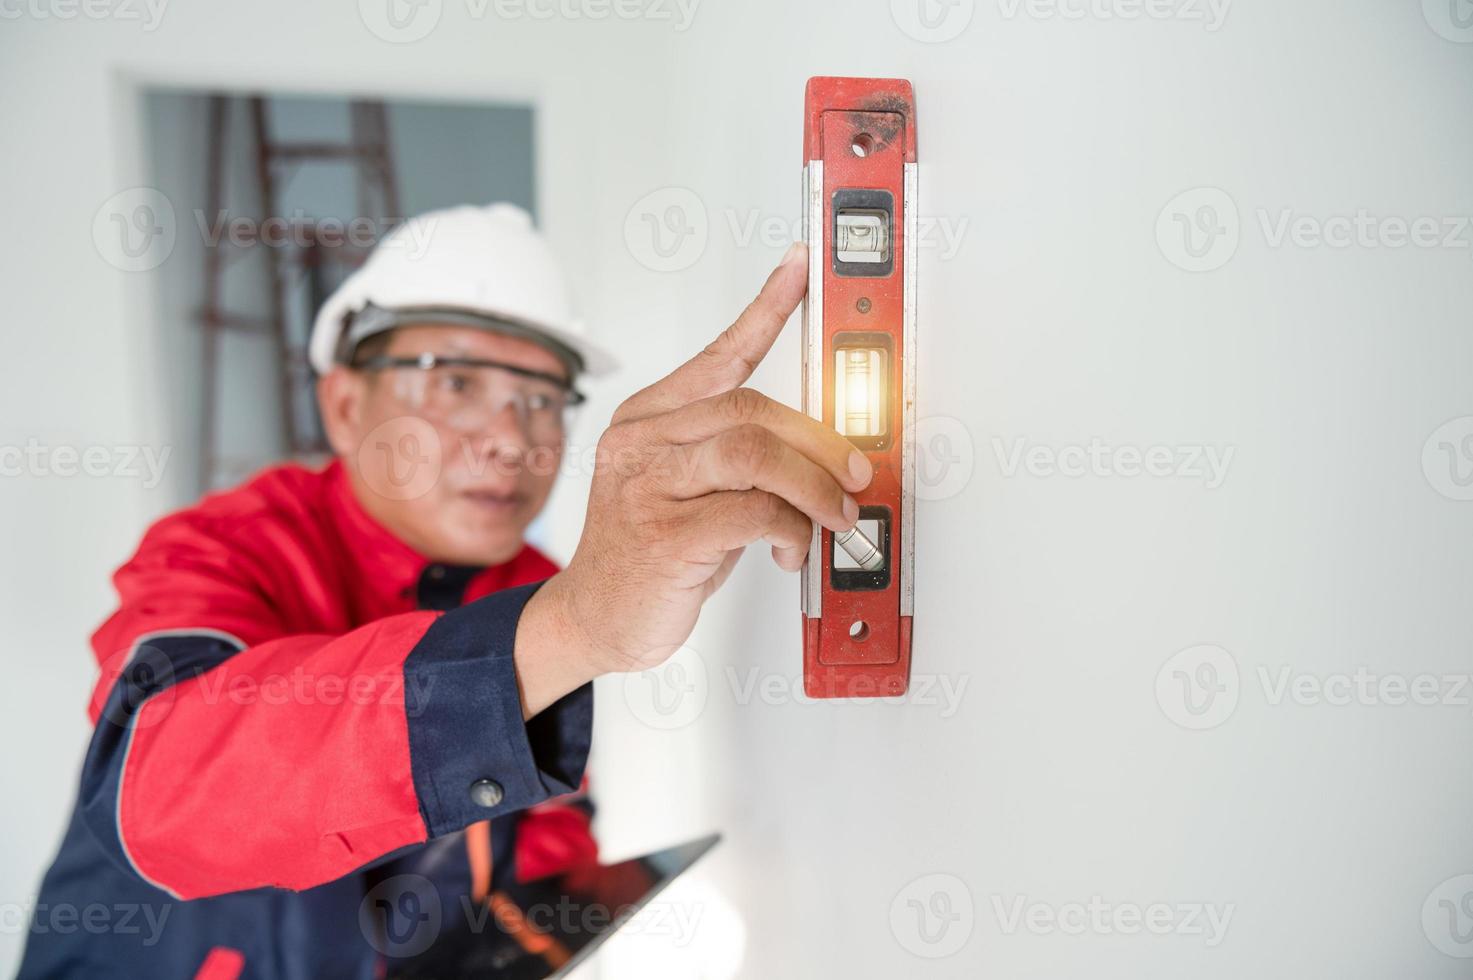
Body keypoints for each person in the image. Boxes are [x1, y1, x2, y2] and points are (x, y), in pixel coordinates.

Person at [19, 202, 871, 979]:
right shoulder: (223, 548)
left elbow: (542, 823)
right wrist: (566, 626)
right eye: (455, 382)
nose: (510, 440)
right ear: (346, 406)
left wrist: (535, 932)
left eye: (542, 399)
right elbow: (162, 791)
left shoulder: (529, 584)